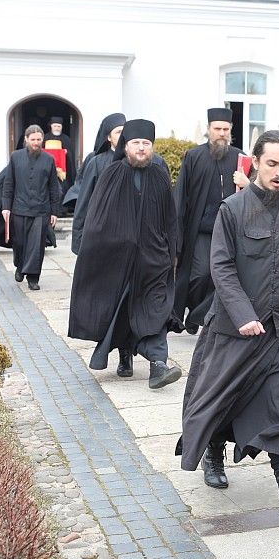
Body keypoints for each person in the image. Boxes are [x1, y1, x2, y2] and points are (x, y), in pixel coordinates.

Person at [176, 130, 279, 524]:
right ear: (255, 162)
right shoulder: (232, 209)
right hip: (233, 332)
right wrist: (243, 314)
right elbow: (221, 267)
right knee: (222, 400)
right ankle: (213, 450)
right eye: (272, 163)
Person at [67, 119, 183, 389]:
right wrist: (93, 252)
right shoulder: (111, 174)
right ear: (125, 146)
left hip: (154, 260)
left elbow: (170, 218)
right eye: (135, 143)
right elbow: (96, 220)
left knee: (155, 309)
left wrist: (172, 253)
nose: (141, 148)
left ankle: (158, 364)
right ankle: (125, 354)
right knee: (122, 311)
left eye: (146, 143)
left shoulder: (160, 175)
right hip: (117, 261)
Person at [172, 107, 250, 335]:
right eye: (217, 129)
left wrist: (247, 183)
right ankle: (195, 311)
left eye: (226, 129)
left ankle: (198, 317)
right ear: (209, 129)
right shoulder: (194, 156)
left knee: (222, 279)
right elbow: (181, 196)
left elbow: (258, 190)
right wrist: (177, 234)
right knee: (200, 275)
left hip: (230, 232)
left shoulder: (240, 158)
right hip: (201, 231)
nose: (222, 133)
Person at [0, 124, 62, 291]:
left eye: (39, 139)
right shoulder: (16, 157)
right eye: (33, 139)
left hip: (41, 210)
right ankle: (20, 265)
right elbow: (9, 184)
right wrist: (6, 207)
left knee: (36, 246)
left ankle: (33, 278)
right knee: (19, 243)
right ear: (26, 139)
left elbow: (53, 188)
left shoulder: (49, 159)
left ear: (42, 140)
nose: (36, 142)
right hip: (19, 208)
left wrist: (54, 211)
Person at [68, 112, 125, 254]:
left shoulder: (136, 161)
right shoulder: (96, 162)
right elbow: (84, 201)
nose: (123, 135)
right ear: (108, 137)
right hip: (102, 231)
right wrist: (78, 240)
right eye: (118, 132)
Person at [44, 116, 77, 208]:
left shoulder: (66, 139)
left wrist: (66, 153)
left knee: (63, 187)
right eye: (55, 126)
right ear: (51, 126)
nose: (57, 128)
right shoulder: (45, 138)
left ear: (61, 127)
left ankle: (63, 208)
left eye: (59, 126)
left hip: (63, 170)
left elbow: (71, 154)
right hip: (48, 169)